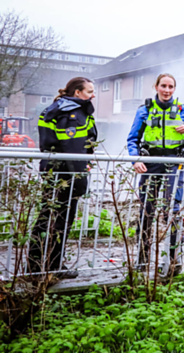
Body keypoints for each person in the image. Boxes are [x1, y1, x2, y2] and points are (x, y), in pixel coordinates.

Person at [126, 73, 184, 269]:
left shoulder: (183, 109)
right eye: (163, 86)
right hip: (150, 163)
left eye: (171, 87)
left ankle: (173, 260)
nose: (167, 90)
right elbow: (132, 139)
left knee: (173, 210)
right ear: (156, 87)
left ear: (174, 89)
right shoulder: (144, 110)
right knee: (147, 209)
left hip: (174, 164)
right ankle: (143, 259)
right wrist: (135, 160)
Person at [28, 77, 97, 278]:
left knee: (47, 218)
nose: (93, 95)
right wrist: (81, 180)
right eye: (89, 91)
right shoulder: (71, 114)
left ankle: (37, 266)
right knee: (59, 221)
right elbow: (73, 150)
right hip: (66, 174)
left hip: (55, 171)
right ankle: (50, 267)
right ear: (77, 93)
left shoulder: (59, 108)